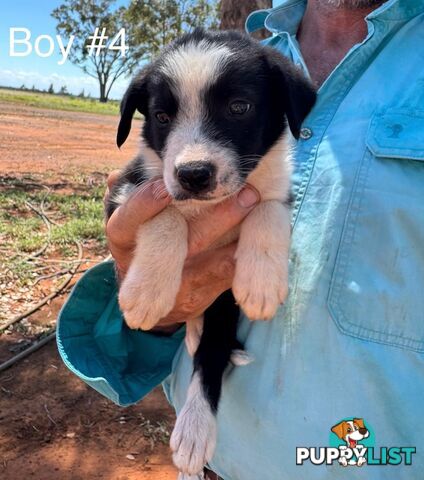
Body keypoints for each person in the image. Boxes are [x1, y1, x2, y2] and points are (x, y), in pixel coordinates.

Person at [57, 0, 424, 478]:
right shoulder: (255, 56)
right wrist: (157, 283)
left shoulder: (267, 76)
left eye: (236, 108)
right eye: (166, 117)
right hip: (209, 461)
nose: (191, 154)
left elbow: (269, 202)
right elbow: (143, 267)